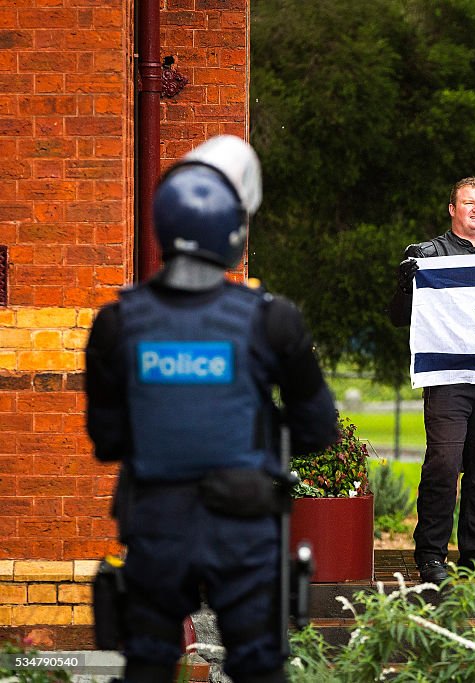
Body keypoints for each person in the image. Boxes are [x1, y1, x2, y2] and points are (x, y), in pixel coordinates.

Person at [85, 135, 338, 683]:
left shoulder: (116, 323)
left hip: (154, 522)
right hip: (244, 528)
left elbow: (106, 439)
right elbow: (318, 430)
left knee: (149, 663)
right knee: (258, 666)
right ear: (233, 231)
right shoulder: (272, 320)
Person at [388, 177, 475, 584]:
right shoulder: (428, 255)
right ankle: (431, 556)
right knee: (444, 465)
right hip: (449, 380)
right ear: (453, 209)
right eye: (469, 203)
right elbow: (398, 318)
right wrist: (406, 283)